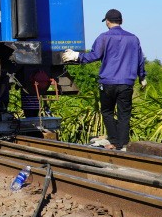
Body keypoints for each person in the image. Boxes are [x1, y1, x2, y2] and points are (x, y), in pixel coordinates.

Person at [62, 9, 146, 150]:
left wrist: (77, 56)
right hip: (126, 83)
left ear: (107, 21)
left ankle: (113, 141)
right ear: (121, 21)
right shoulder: (133, 38)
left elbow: (94, 55)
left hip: (107, 82)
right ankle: (122, 144)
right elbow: (140, 60)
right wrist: (142, 76)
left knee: (107, 112)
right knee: (124, 114)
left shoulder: (104, 37)